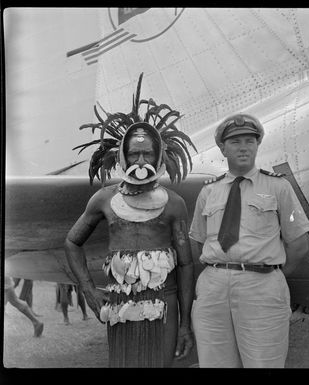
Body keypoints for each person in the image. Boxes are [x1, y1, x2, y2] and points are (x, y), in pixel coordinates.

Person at [64, 73, 195, 367]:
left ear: (158, 156)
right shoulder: (104, 200)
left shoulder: (174, 204)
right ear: (123, 157)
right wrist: (88, 290)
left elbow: (186, 265)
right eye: (134, 154)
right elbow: (72, 242)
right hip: (120, 304)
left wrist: (185, 323)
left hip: (165, 304)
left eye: (147, 154)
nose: (140, 162)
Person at [189, 113, 309, 368]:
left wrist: (267, 274)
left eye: (249, 140)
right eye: (235, 142)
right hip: (213, 287)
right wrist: (222, 271)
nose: (243, 147)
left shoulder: (278, 187)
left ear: (257, 145)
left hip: (262, 286)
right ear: (223, 148)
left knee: (263, 362)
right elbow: (199, 242)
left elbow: (299, 245)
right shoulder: (208, 192)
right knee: (214, 362)